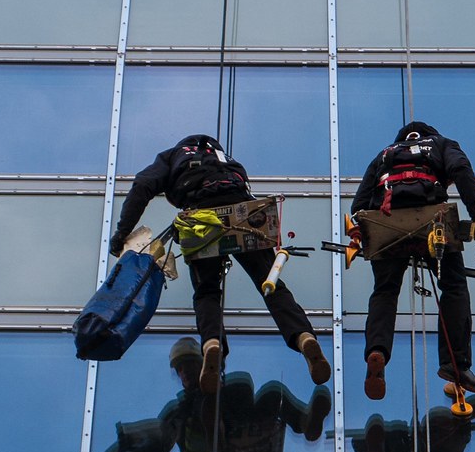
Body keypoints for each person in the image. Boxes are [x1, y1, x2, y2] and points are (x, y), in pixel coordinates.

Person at [110, 134, 331, 393]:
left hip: (202, 218)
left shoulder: (173, 156)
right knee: (271, 284)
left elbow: (142, 185)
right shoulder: (225, 159)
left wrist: (122, 233)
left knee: (207, 292)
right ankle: (304, 337)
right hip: (244, 213)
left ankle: (212, 344)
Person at [351, 121, 475, 400]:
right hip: (431, 217)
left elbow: (359, 204)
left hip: (385, 221)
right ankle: (456, 364)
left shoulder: (385, 153)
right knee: (453, 286)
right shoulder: (441, 143)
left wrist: (361, 232)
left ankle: (377, 350)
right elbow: (461, 170)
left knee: (385, 291)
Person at [92, 338, 332, 452]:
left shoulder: (226, 394)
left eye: (189, 365)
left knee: (272, 393)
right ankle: (214, 434)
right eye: (180, 369)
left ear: (202, 364)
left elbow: (245, 400)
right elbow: (162, 435)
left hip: (233, 442)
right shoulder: (179, 411)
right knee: (208, 403)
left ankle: (306, 422)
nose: (184, 373)